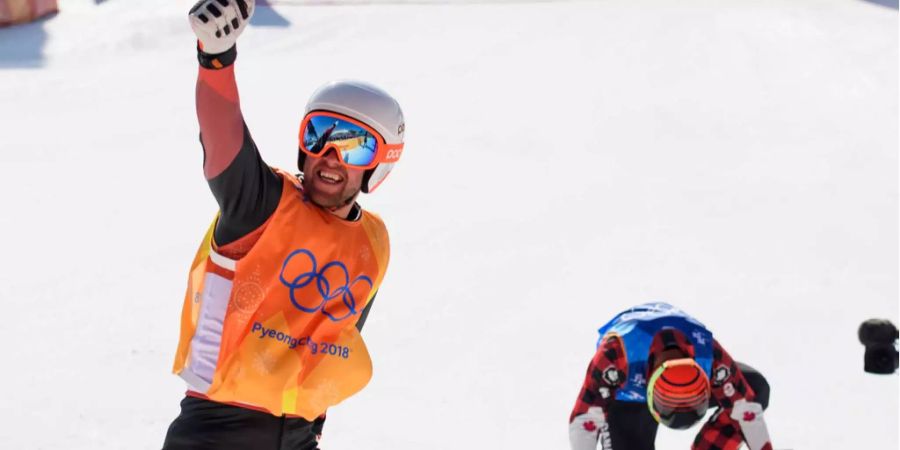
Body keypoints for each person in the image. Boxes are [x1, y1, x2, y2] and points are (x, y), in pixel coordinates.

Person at [163, 0, 405, 448]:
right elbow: (223, 144)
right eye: (320, 136)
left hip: (298, 437)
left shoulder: (374, 242)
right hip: (218, 431)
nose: (330, 157)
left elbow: (333, 340)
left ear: (382, 163)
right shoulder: (261, 204)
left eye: (353, 147)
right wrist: (216, 59)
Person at [569, 302, 773, 450]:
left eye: (690, 401)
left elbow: (747, 410)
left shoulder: (712, 358)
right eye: (671, 406)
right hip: (627, 394)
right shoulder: (614, 358)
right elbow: (585, 418)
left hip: (661, 367)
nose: (679, 412)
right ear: (650, 392)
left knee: (754, 389)